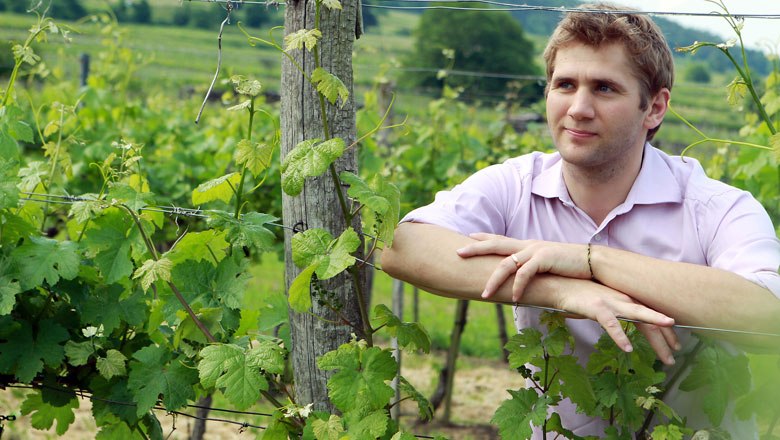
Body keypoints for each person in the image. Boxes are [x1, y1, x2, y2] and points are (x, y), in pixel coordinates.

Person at [381, 2, 780, 437]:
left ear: (655, 108)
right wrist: (565, 290)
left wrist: (593, 261)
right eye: (565, 84)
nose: (578, 108)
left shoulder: (717, 207)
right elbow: (403, 247)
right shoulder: (517, 183)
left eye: (605, 88)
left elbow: (769, 314)